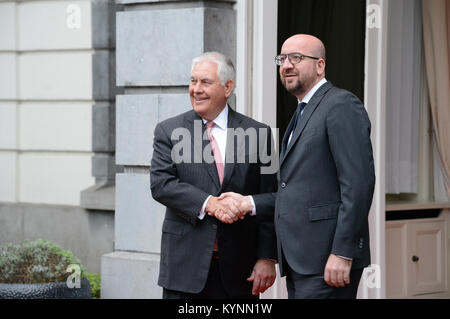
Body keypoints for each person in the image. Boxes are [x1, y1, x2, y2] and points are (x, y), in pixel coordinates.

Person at [220, 34, 375, 299]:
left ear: (320, 65)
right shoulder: (302, 111)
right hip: (302, 262)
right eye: (282, 58)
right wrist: (249, 203)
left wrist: (342, 251)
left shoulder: (340, 104)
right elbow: (297, 190)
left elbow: (358, 184)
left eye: (297, 58)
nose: (287, 65)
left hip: (328, 260)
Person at [150, 52, 278, 299]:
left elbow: (272, 197)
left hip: (240, 271)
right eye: (192, 81)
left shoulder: (260, 134)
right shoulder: (168, 130)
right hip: (184, 268)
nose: (196, 89)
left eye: (205, 82)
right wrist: (210, 203)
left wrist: (267, 257)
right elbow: (161, 184)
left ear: (227, 87)